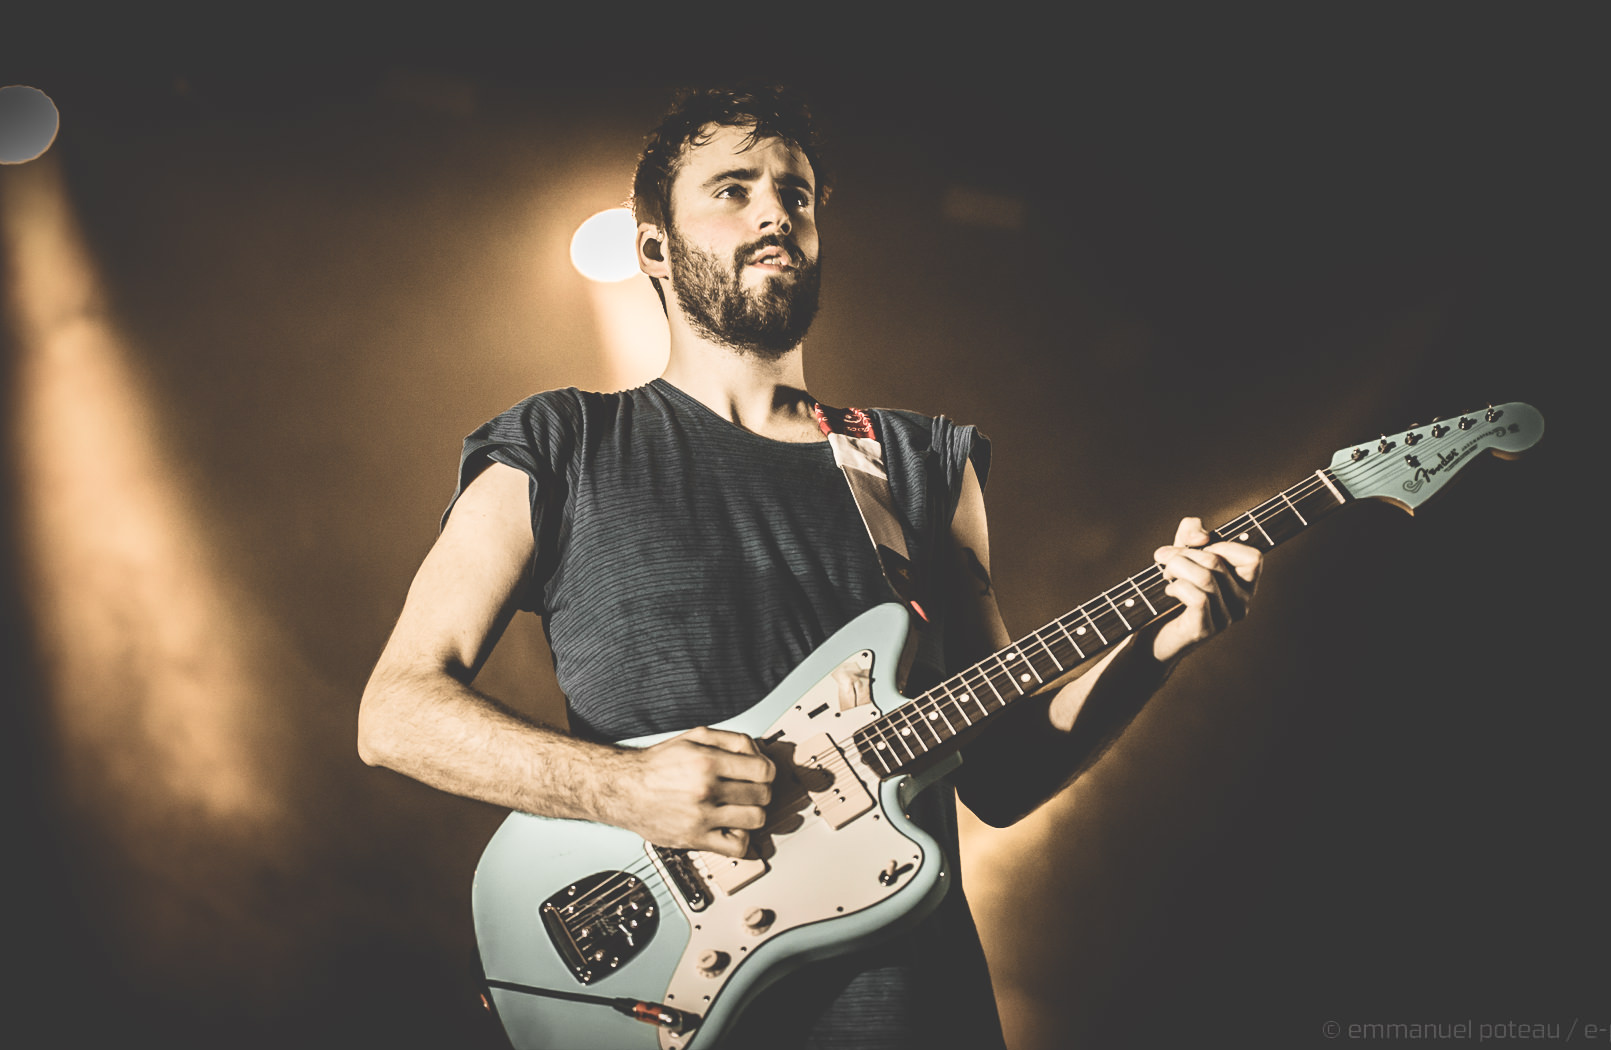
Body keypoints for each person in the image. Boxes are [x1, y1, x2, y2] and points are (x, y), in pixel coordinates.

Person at [358, 84, 1262, 1049]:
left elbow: (1002, 773)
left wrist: (1158, 644)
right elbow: (396, 712)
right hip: (675, 1003)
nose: (775, 214)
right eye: (734, 189)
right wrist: (622, 788)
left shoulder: (920, 464)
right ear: (654, 248)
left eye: (795, 194)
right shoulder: (561, 443)